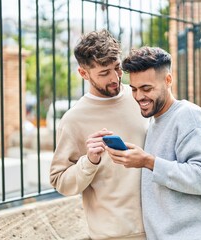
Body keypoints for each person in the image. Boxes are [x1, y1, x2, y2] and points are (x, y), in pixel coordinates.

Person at [106, 46, 201, 240]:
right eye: (134, 89)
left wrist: (148, 162)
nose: (139, 96)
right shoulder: (156, 121)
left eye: (147, 88)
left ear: (168, 80)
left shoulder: (190, 118)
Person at [49, 29, 149, 240]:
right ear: (83, 73)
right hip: (113, 234)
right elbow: (60, 182)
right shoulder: (73, 120)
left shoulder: (140, 98)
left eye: (117, 68)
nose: (115, 78)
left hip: (159, 226)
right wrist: (89, 162)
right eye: (104, 73)